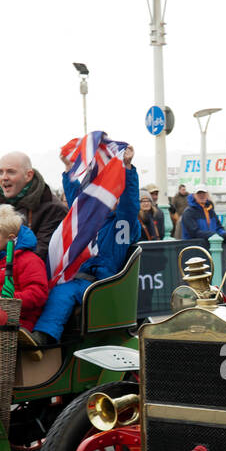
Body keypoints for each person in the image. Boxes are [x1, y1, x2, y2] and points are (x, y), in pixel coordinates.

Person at [31, 142, 140, 345]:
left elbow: (130, 203)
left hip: (105, 284)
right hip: (79, 278)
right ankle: (37, 335)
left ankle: (43, 338)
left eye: (112, 193)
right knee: (50, 290)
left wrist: (126, 166)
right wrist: (68, 168)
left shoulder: (123, 222)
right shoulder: (88, 219)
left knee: (63, 292)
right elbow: (77, 201)